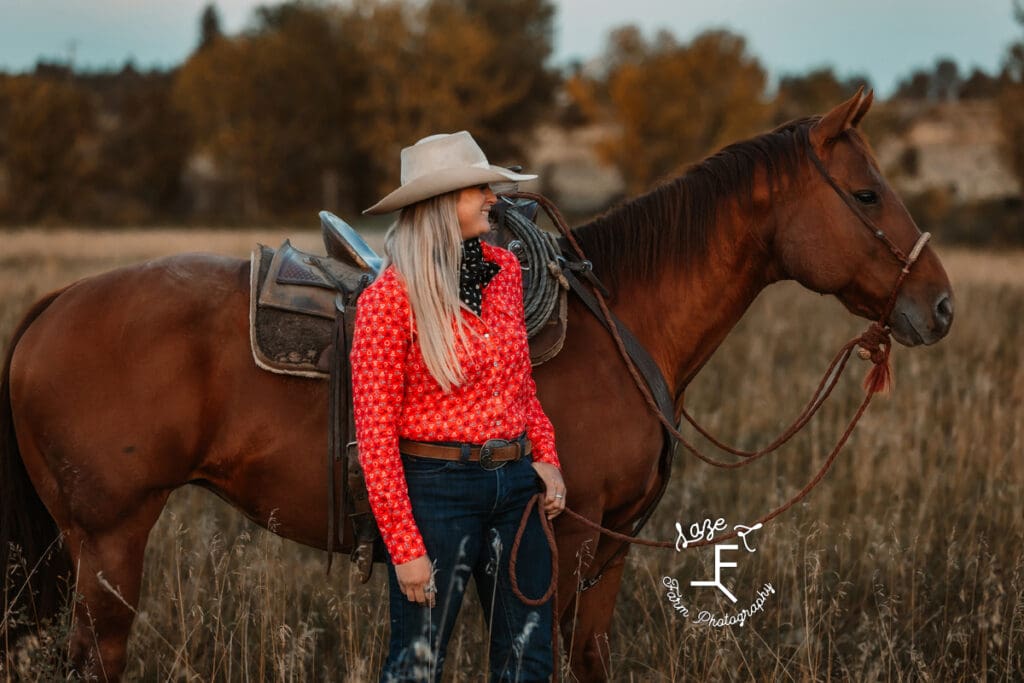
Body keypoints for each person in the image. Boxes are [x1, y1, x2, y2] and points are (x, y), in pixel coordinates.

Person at [350, 131, 566, 682]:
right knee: (417, 665)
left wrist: (545, 454)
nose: (493, 197)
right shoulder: (389, 300)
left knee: (529, 660)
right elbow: (375, 437)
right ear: (444, 204)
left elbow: (521, 383)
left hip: (515, 486)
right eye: (479, 190)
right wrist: (404, 548)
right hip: (437, 491)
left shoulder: (504, 273)